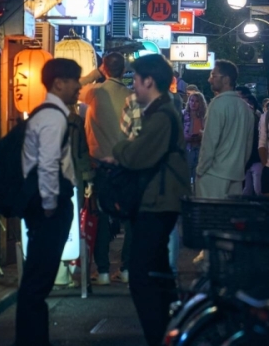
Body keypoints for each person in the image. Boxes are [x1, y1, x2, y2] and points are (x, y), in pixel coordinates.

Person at [108, 54, 190, 346]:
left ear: (149, 81)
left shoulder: (162, 115)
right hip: (159, 200)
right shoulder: (163, 110)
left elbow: (138, 153)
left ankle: (160, 336)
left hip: (159, 202)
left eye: (136, 82)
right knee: (157, 270)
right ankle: (169, 333)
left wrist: (118, 151)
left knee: (142, 275)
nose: (134, 88)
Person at [13, 58, 82, 345]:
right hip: (47, 209)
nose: (79, 87)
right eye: (75, 80)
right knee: (37, 284)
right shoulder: (54, 117)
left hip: (39, 208)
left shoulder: (44, 114)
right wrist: (51, 207)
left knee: (35, 282)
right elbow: (49, 165)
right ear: (59, 83)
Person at [79, 53, 132, 285]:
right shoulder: (132, 96)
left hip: (98, 164)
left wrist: (95, 74)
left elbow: (74, 87)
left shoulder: (94, 92)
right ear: (125, 70)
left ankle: (101, 271)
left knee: (99, 214)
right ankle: (126, 268)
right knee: (129, 216)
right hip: (125, 164)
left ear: (104, 69)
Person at [196, 61, 253, 199]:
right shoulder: (246, 108)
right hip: (236, 175)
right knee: (229, 217)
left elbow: (210, 142)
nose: (210, 79)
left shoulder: (217, 104)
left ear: (226, 79)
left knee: (210, 217)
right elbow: (248, 146)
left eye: (213, 75)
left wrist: (200, 169)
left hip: (213, 174)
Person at [235, 86, 264, 196]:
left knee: (257, 188)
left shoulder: (258, 118)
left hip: (256, 158)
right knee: (247, 189)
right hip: (245, 159)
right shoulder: (239, 119)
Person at [183, 91, 206, 185]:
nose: (193, 103)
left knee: (198, 177)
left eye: (197, 101)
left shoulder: (204, 117)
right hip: (187, 148)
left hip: (200, 149)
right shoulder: (183, 115)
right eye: (191, 101)